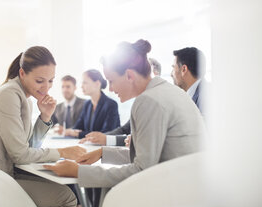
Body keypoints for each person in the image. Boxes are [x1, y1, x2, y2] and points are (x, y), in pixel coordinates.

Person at [45, 39, 204, 195]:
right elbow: (148, 155)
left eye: (111, 81)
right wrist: (102, 153)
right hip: (189, 185)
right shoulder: (166, 90)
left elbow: (141, 169)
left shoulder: (149, 101)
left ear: (129, 75)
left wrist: (80, 172)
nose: (111, 89)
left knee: (108, 196)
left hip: (175, 192)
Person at [0, 46, 85, 207]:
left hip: (3, 171)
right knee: (66, 199)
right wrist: (62, 152)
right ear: (22, 73)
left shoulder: (24, 98)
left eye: (51, 80)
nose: (46, 88)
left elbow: (29, 146)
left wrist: (45, 117)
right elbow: (21, 155)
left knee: (65, 191)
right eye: (40, 81)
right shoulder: (9, 94)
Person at [79, 58, 163, 146]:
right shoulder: (140, 102)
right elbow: (125, 130)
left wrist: (107, 139)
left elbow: (145, 141)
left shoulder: (156, 102)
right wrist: (100, 138)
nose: (110, 89)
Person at [63, 69, 120, 139]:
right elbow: (77, 127)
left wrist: (79, 134)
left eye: (85, 83)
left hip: (105, 148)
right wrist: (70, 131)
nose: (81, 86)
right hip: (90, 145)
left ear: (97, 84)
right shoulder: (87, 104)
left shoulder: (111, 105)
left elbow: (106, 133)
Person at [171, 47, 208, 116]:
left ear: (184, 69)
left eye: (173, 68)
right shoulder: (195, 95)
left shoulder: (206, 97)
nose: (171, 74)